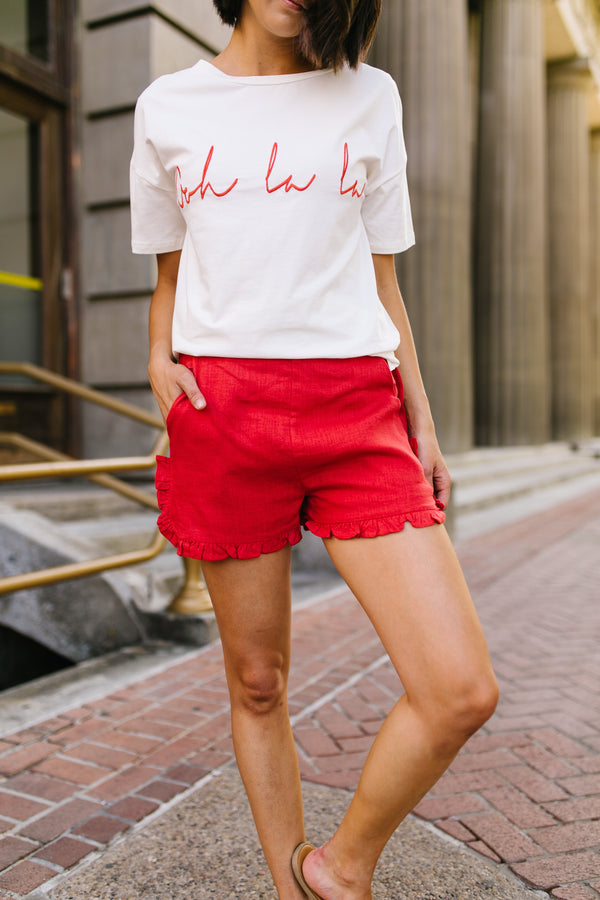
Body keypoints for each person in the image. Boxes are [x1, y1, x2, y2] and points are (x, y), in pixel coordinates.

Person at [130, 1, 499, 897]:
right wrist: (156, 361)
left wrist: (424, 420)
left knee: (458, 688)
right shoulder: (168, 105)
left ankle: (342, 867)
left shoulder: (370, 95)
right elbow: (172, 266)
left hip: (355, 413)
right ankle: (290, 887)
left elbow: (384, 277)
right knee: (258, 682)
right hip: (226, 412)